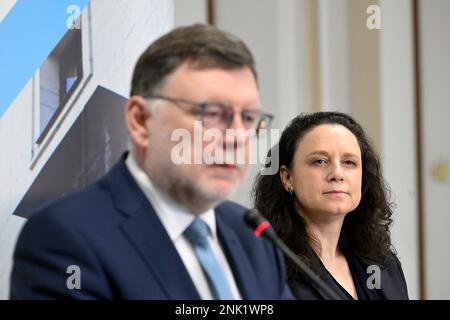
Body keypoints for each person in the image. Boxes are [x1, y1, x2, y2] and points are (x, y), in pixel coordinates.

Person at [10, 24, 293, 300]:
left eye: (247, 118)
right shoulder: (66, 238)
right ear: (141, 121)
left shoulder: (254, 237)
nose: (237, 137)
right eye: (213, 113)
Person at [253, 112, 409, 300]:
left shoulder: (384, 264)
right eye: (319, 161)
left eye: (349, 162)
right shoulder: (265, 265)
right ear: (287, 178)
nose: (337, 173)